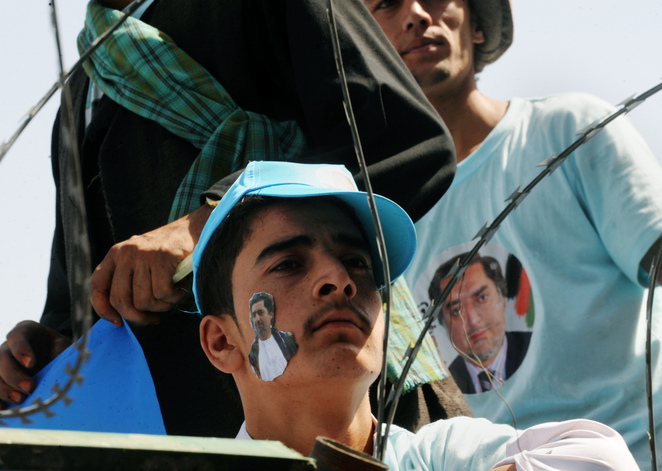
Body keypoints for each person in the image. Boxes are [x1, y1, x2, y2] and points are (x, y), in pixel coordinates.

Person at [0, 0, 461, 437]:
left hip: (347, 408)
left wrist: (205, 224)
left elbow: (407, 144)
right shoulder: (80, 90)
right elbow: (77, 297)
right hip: (189, 433)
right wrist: (46, 351)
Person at [365, 0, 662, 466]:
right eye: (387, 3)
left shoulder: (569, 129)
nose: (418, 14)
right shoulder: (381, 218)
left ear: (478, 26)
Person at [194, 160, 639, 470]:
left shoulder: (441, 456)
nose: (339, 278)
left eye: (359, 262)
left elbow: (604, 457)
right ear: (221, 342)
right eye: (288, 264)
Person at [428, 253, 530, 394]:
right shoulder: (443, 386)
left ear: (502, 299)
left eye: (482, 298)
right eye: (456, 311)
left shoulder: (536, 351)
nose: (473, 321)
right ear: (443, 323)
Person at [248, 292, 298, 381]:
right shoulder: (253, 354)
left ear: (270, 314)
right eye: (254, 315)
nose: (257, 319)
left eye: (260, 313)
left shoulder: (287, 341)